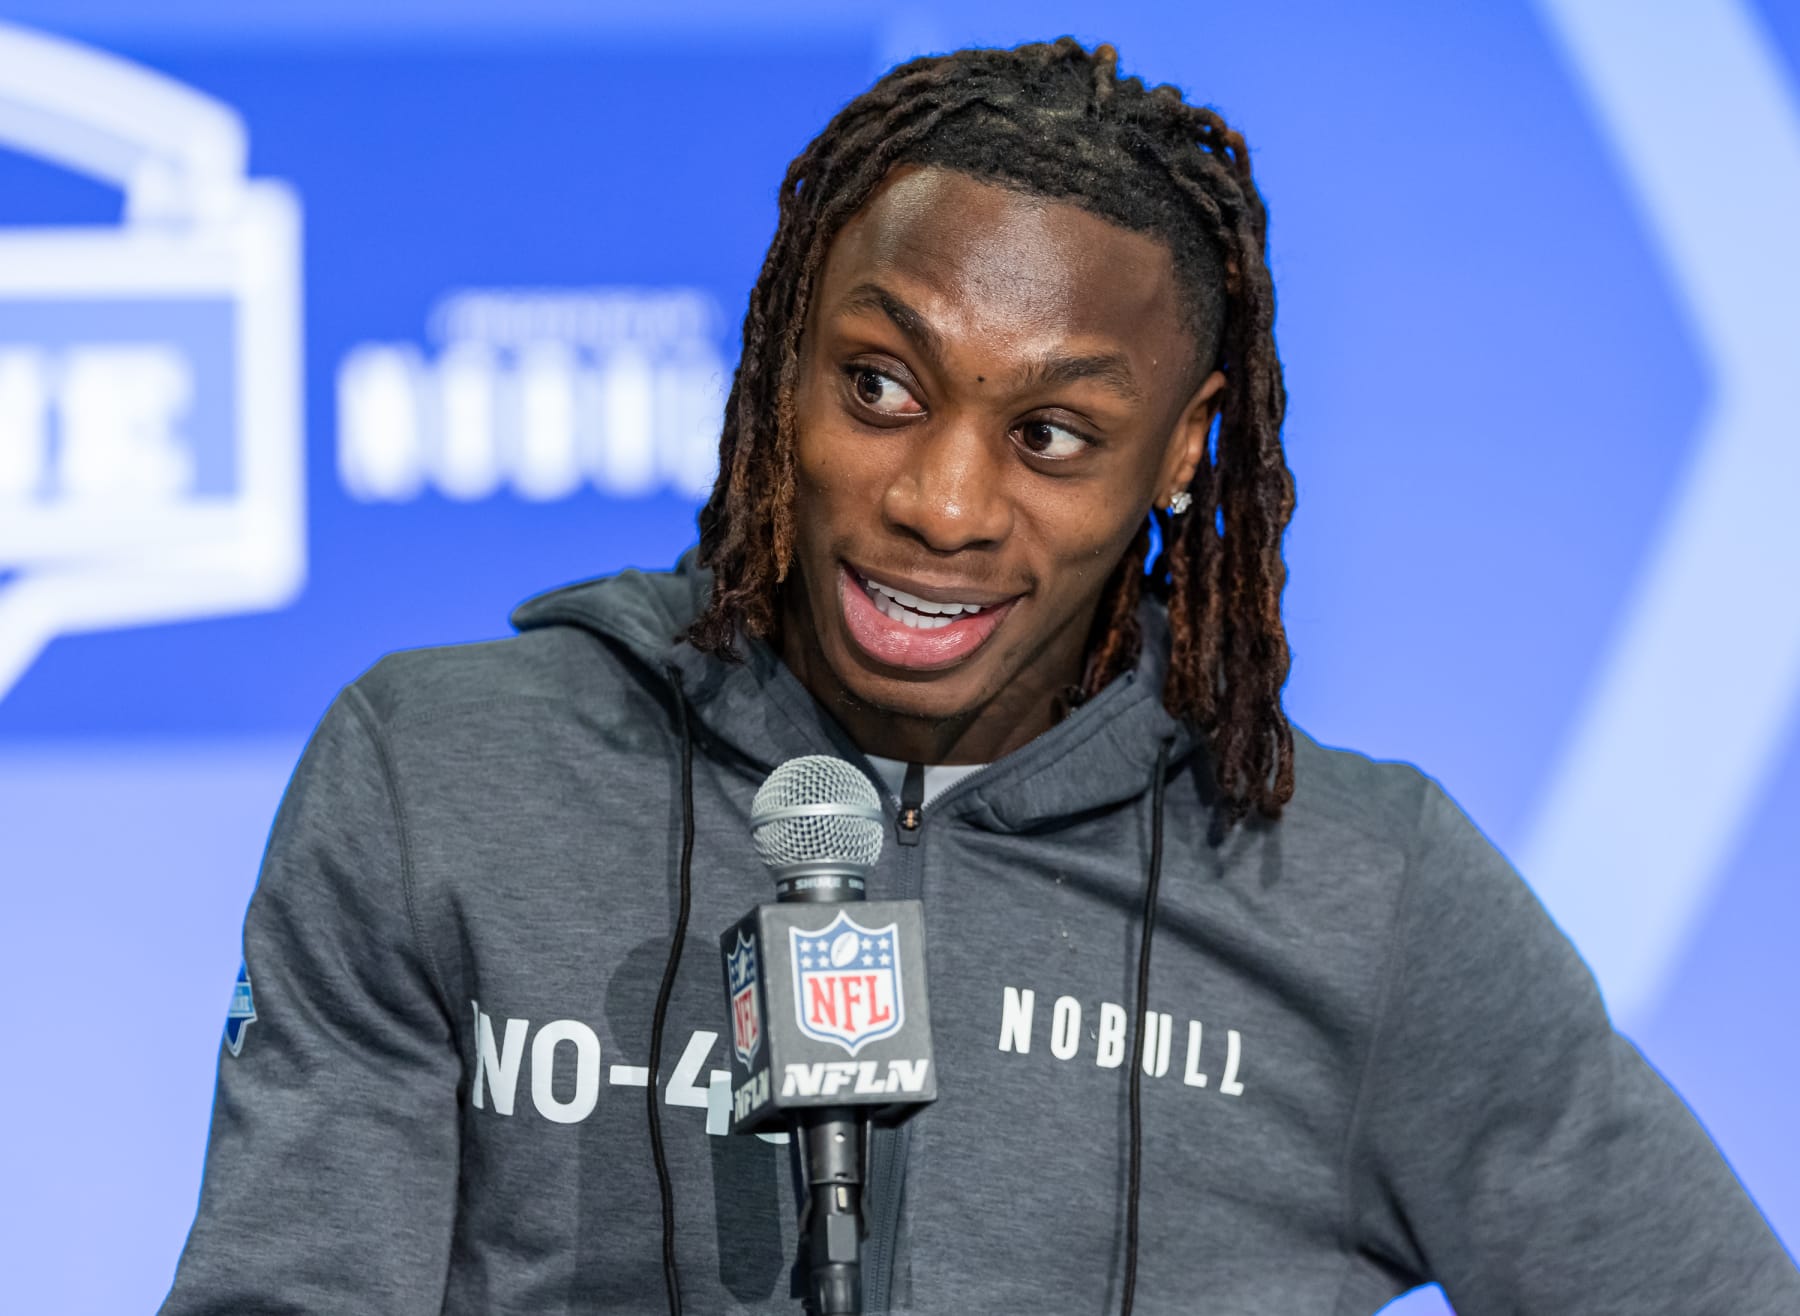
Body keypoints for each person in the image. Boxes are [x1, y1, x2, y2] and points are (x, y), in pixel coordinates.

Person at [161, 37, 1798, 1315]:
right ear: (779, 364)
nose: (941, 500)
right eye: (880, 385)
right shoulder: (442, 776)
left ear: (1181, 450)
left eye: (1053, 434)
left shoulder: (1368, 896)